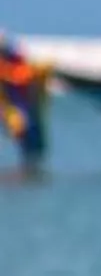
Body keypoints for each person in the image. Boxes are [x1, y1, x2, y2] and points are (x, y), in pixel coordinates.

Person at [0, 33, 49, 172]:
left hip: (23, 108)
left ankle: (30, 170)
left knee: (30, 143)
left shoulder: (17, 63)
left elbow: (23, 78)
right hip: (15, 109)